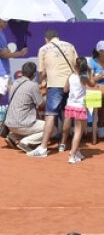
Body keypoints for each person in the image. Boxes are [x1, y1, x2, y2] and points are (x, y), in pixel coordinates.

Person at [29, 30, 79, 158]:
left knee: (50, 114)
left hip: (55, 84)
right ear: (58, 37)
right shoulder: (70, 45)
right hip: (71, 84)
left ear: (46, 39)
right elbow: (76, 65)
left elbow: (41, 72)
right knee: (67, 113)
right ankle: (63, 143)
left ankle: (43, 147)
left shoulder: (43, 49)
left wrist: (41, 82)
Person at [5, 62, 47, 152]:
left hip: (9, 124)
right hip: (23, 124)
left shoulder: (15, 83)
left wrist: (40, 87)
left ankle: (13, 136)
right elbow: (41, 104)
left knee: (31, 127)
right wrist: (46, 97)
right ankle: (26, 142)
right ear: (34, 74)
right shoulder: (33, 85)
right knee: (50, 128)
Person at [64, 56, 94, 163]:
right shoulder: (84, 78)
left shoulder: (71, 76)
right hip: (79, 107)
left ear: (76, 65)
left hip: (71, 106)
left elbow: (65, 89)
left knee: (80, 130)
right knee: (78, 131)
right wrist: (89, 71)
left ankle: (76, 151)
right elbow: (93, 84)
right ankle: (72, 155)